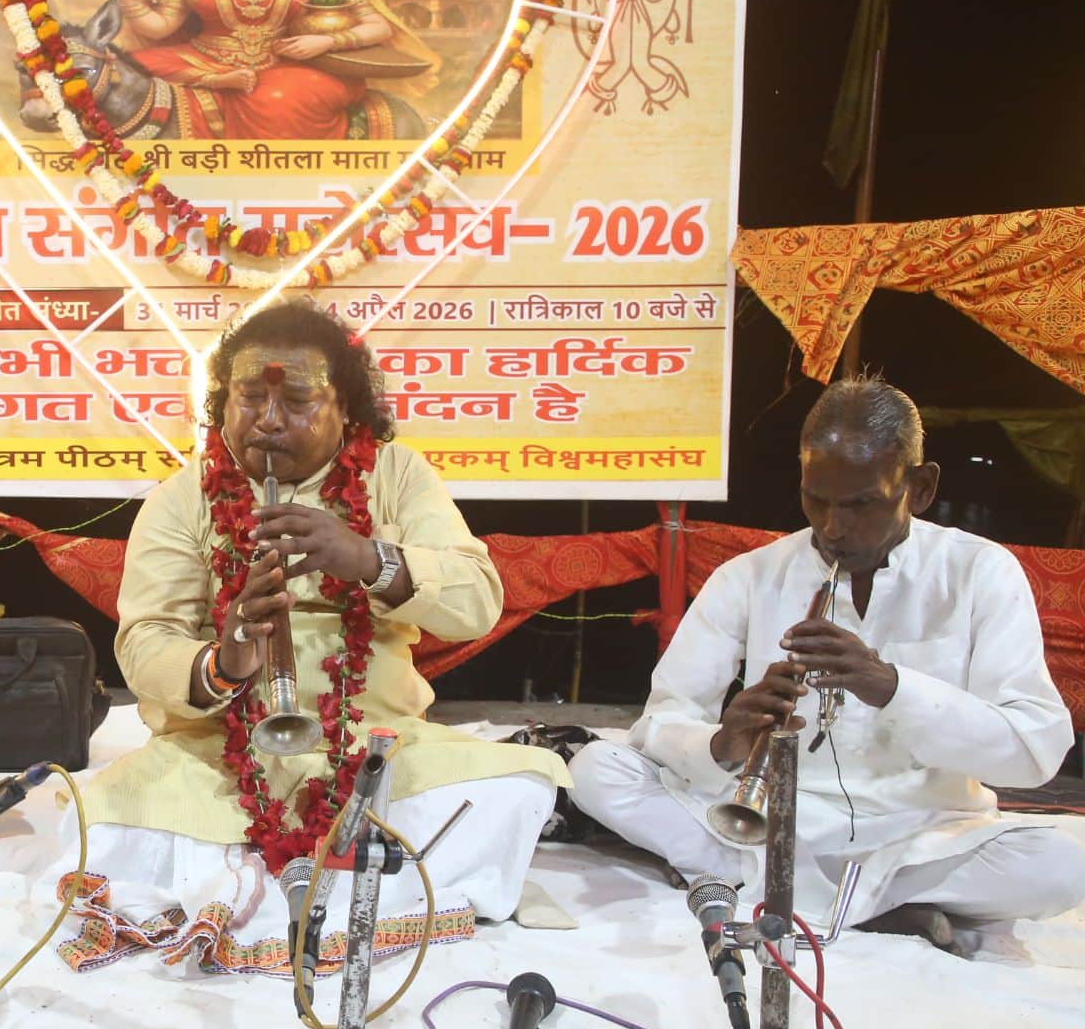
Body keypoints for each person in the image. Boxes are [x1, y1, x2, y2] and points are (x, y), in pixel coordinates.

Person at [56, 301, 568, 974]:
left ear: (347, 409)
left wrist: (368, 559)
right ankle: (365, 887)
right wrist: (225, 659)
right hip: (217, 757)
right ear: (222, 402)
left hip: (376, 750)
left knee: (523, 786)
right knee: (96, 823)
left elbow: (477, 599)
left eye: (297, 400)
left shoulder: (397, 475)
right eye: (247, 397)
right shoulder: (184, 497)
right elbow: (146, 640)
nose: (267, 420)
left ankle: (259, 889)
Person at [570, 376, 1085, 953]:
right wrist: (725, 740)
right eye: (817, 499)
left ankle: (792, 889)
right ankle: (885, 907)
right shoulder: (749, 576)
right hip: (768, 826)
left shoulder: (980, 572)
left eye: (862, 503)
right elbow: (659, 723)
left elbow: (1036, 751)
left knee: (1065, 866)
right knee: (597, 768)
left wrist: (892, 688)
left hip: (920, 832)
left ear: (919, 487)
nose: (834, 526)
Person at [108, 0, 434, 139]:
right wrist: (130, 0)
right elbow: (160, 27)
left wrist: (325, 42)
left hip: (285, 63)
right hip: (204, 56)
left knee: (276, 100)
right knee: (129, 70)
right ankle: (218, 81)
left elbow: (378, 27)